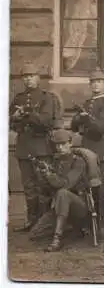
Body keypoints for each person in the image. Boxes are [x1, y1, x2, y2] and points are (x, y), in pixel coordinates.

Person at [9, 62, 57, 232]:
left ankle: (45, 223)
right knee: (28, 186)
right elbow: (9, 123)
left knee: (43, 185)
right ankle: (31, 220)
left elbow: (46, 122)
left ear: (38, 78)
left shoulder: (46, 98)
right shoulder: (18, 99)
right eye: (25, 77)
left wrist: (28, 114)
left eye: (31, 76)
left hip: (41, 148)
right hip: (24, 148)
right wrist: (15, 117)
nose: (28, 79)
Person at [29, 129, 90, 252]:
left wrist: (50, 175)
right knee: (35, 234)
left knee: (63, 193)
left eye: (63, 143)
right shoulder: (55, 162)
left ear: (70, 143)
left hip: (79, 206)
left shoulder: (78, 162)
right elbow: (46, 190)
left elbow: (66, 185)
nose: (60, 147)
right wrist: (42, 175)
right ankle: (71, 228)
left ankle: (57, 239)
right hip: (60, 207)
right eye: (57, 144)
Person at [70, 68, 104, 174]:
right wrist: (77, 118)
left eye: (99, 82)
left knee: (102, 174)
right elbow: (74, 127)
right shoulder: (86, 103)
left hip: (101, 144)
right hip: (86, 143)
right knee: (87, 174)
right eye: (93, 82)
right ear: (90, 85)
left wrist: (86, 118)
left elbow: (102, 127)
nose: (96, 85)